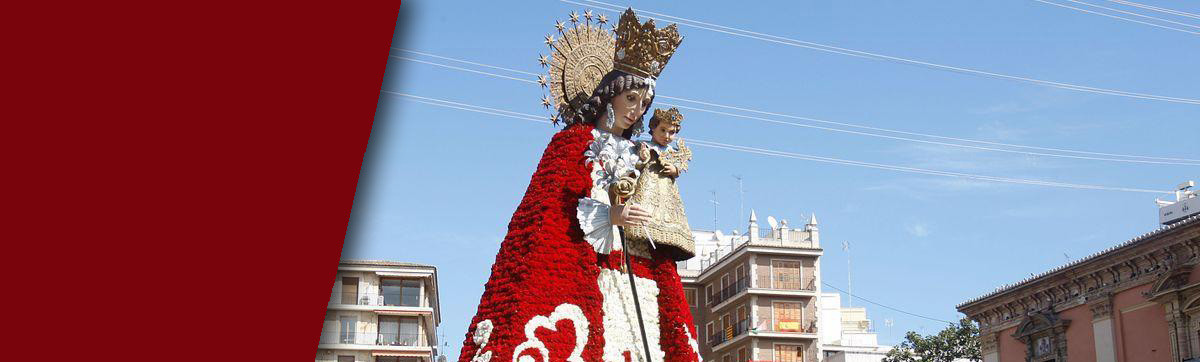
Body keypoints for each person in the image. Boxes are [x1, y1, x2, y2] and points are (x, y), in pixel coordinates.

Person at [458, 9, 700, 362]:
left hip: (641, 275)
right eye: (631, 99)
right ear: (609, 95)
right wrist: (610, 214)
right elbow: (554, 213)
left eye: (644, 104)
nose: (636, 111)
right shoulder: (573, 143)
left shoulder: (640, 153)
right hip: (594, 272)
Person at [624, 107, 695, 262]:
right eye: (663, 130)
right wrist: (642, 159)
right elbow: (633, 166)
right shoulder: (644, 146)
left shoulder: (673, 152)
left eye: (671, 132)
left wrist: (674, 169)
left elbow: (679, 168)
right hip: (648, 185)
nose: (666, 136)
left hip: (667, 191)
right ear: (653, 127)